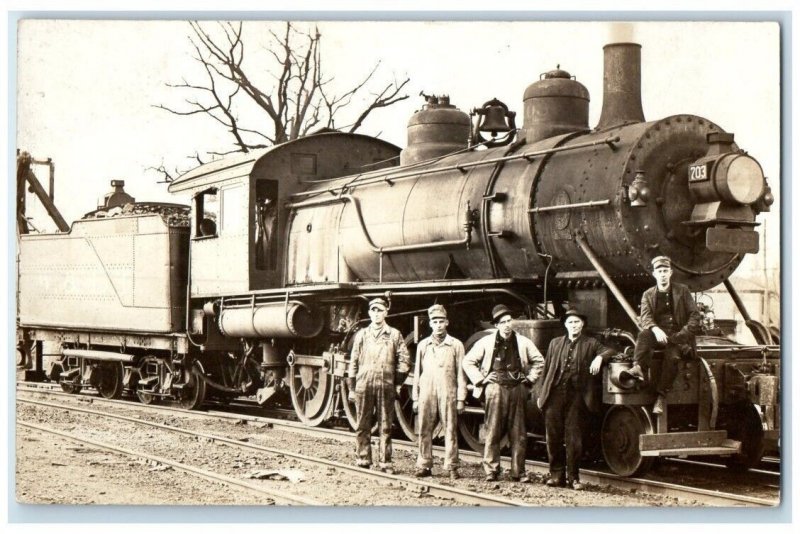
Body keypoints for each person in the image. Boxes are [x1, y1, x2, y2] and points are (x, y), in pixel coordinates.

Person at [463, 304, 544, 482]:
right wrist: (481, 379)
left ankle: (518, 472)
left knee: (519, 433)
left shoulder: (523, 342)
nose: (507, 325)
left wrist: (529, 379)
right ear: (497, 325)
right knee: (492, 431)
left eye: (509, 321)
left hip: (517, 389)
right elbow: (468, 362)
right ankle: (491, 470)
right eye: (503, 322)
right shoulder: (485, 342)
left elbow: (539, 361)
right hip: (495, 389)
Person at [537, 307, 616, 490]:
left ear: (582, 324)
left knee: (574, 439)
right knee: (553, 437)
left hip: (577, 396)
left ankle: (573, 478)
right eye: (570, 322)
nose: (574, 325)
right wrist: (542, 394)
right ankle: (556, 476)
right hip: (554, 394)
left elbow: (610, 350)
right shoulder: (555, 343)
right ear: (565, 325)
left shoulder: (591, 343)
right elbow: (547, 369)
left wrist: (599, 358)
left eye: (577, 322)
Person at [621, 256, 703, 414]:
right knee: (644, 335)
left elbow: (695, 316)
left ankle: (661, 396)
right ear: (654, 274)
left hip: (679, 338)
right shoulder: (648, 294)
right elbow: (645, 317)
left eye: (666, 271)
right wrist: (654, 328)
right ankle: (638, 367)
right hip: (658, 334)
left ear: (671, 273)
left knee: (672, 358)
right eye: (660, 271)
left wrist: (682, 335)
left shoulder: (682, 291)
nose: (663, 274)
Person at [347, 297, 411, 474]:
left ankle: (386, 461)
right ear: (369, 313)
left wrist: (397, 382)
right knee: (362, 424)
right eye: (374, 310)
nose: (377, 314)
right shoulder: (361, 335)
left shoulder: (394, 335)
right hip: (364, 384)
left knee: (386, 425)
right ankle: (363, 458)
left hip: (386, 384)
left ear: (386, 313)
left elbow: (405, 361)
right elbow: (352, 363)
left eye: (380, 310)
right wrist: (352, 388)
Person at [412, 304, 467, 480]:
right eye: (435, 321)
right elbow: (417, 374)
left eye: (441, 321)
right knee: (424, 429)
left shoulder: (456, 345)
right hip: (426, 392)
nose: (438, 325)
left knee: (450, 429)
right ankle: (424, 464)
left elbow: (461, 374)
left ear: (447, 322)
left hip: (448, 392)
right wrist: (415, 398)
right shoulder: (423, 345)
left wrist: (461, 398)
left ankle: (451, 466)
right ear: (430, 324)